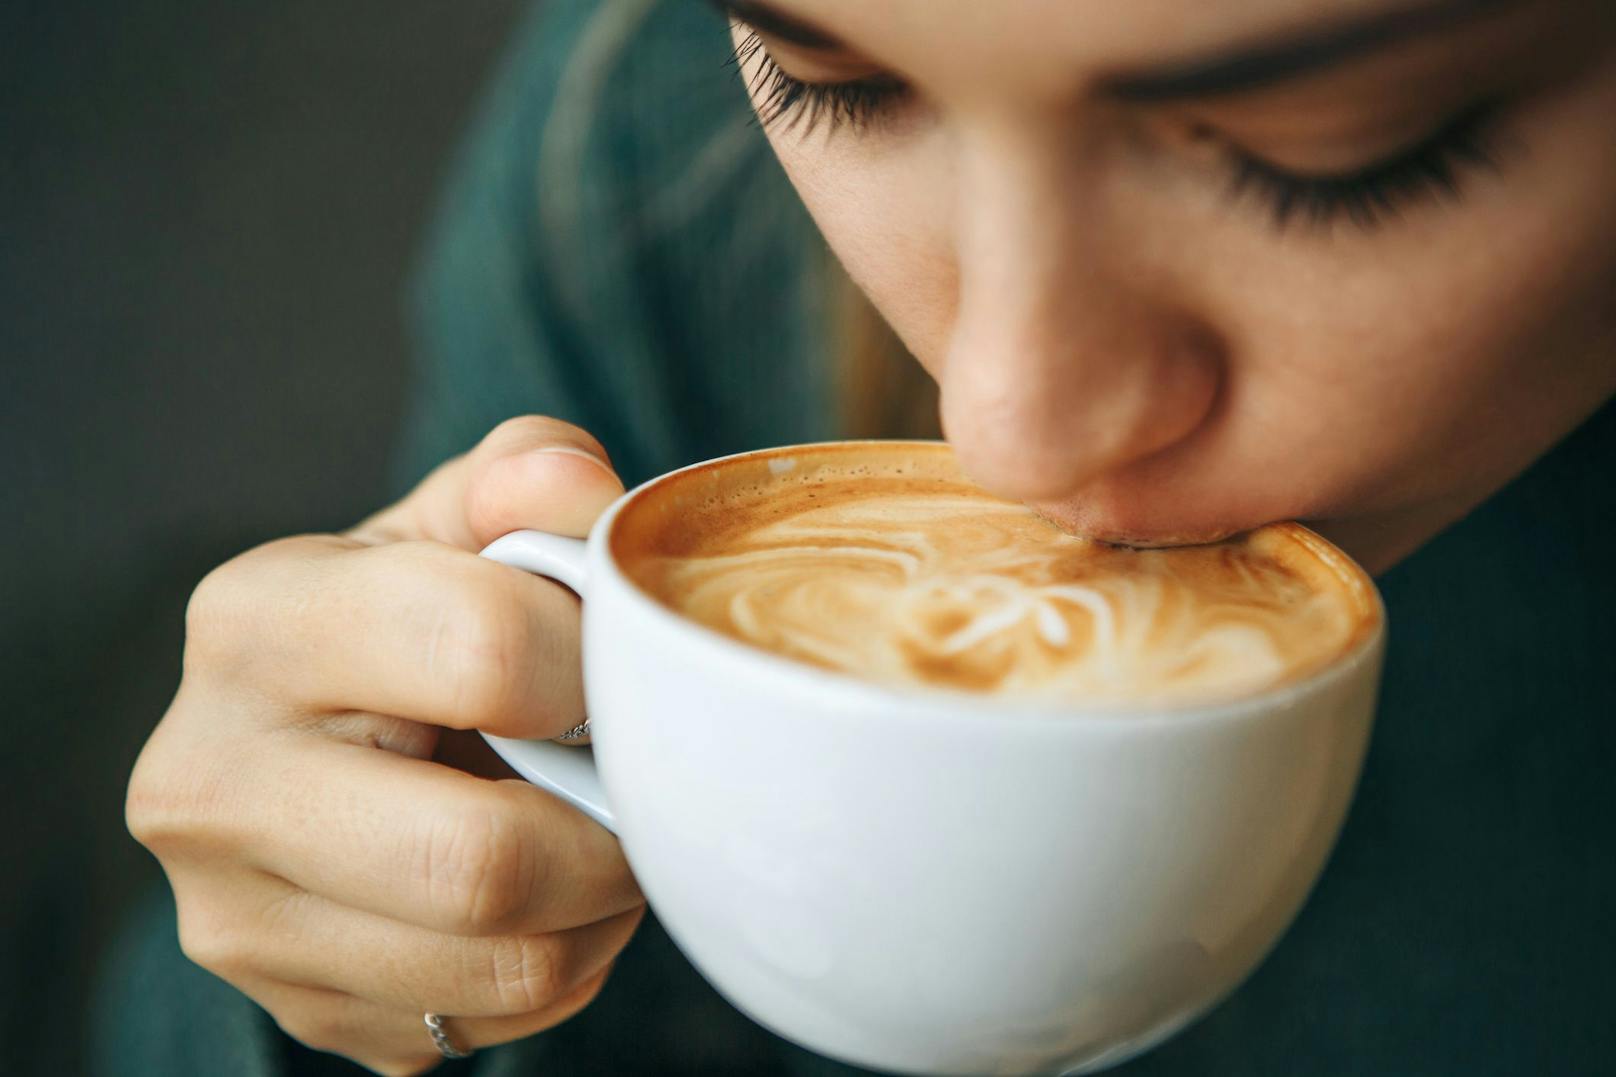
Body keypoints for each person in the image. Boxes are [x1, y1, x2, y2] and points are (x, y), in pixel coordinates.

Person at [98, 0, 1616, 1073]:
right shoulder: (652, 162)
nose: (1006, 420)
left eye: (1330, 152)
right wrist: (351, 960)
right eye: (833, 78)